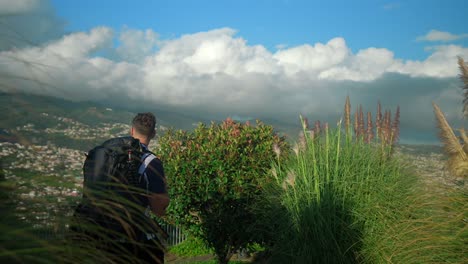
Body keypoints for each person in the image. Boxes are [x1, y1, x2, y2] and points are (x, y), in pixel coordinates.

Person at [127, 112, 170, 263]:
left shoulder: (110, 155)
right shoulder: (151, 162)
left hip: (105, 234)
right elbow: (158, 208)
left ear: (132, 130)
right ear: (153, 134)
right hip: (138, 239)